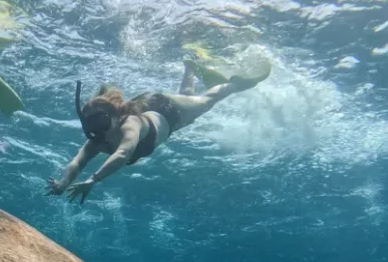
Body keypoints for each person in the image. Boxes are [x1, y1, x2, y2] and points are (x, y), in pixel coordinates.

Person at [46, 59, 271, 203]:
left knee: (204, 102)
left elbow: (123, 154)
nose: (97, 130)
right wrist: (63, 182)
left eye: (102, 122)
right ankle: (190, 67)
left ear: (116, 115)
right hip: (169, 122)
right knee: (189, 107)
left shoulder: (129, 124)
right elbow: (77, 162)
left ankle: (236, 84)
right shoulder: (97, 140)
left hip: (166, 109)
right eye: (91, 124)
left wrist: (94, 179)